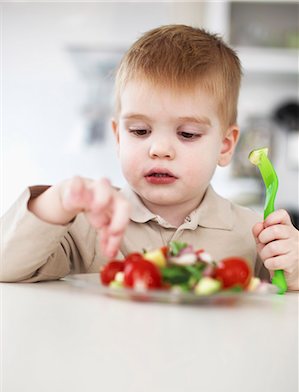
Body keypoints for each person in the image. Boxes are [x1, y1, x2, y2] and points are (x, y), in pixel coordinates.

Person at [1, 25, 298, 290]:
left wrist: (295, 268)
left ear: (224, 145)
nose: (159, 149)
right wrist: (58, 201)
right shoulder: (86, 225)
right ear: (118, 137)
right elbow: (7, 266)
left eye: (188, 134)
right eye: (140, 131)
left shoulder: (255, 235)